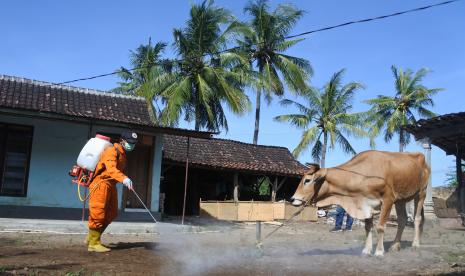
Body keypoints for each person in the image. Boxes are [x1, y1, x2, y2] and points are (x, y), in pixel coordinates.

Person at [86, 131, 138, 252]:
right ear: (122, 141)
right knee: (98, 213)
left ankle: (92, 237)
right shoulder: (111, 151)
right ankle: (93, 243)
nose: (132, 145)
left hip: (111, 184)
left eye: (133, 143)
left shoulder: (123, 154)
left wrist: (122, 179)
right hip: (101, 183)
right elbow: (111, 169)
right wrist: (124, 178)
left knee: (112, 213)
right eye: (130, 142)